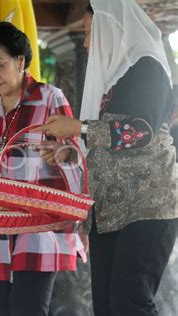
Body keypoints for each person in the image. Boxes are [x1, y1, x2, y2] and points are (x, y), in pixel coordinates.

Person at [35, 1, 178, 315]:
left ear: (113, 30)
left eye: (89, 33)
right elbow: (111, 146)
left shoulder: (147, 67)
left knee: (131, 303)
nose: (86, 43)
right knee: (107, 305)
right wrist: (69, 152)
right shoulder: (113, 80)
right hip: (109, 210)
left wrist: (78, 127)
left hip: (146, 207)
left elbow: (141, 131)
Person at [0, 22, 86, 316]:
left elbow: (76, 156)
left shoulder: (50, 98)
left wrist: (62, 153)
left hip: (40, 224)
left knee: (28, 309)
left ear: (20, 61)